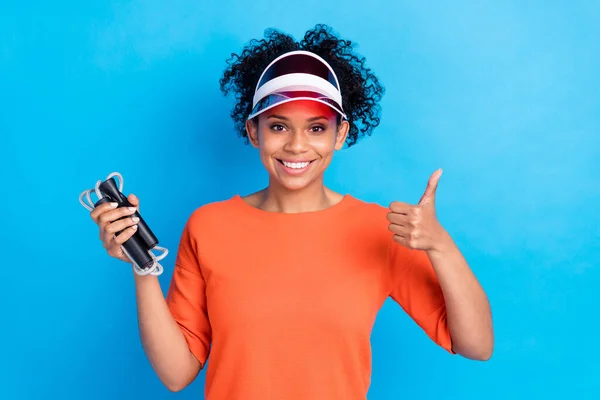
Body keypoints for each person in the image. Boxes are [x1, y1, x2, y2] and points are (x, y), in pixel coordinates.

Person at [89, 24, 493, 400]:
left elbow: (476, 345)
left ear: (341, 134)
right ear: (253, 132)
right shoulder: (209, 226)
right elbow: (176, 373)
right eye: (279, 126)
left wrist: (441, 246)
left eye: (317, 128)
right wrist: (141, 267)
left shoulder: (378, 229)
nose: (297, 146)